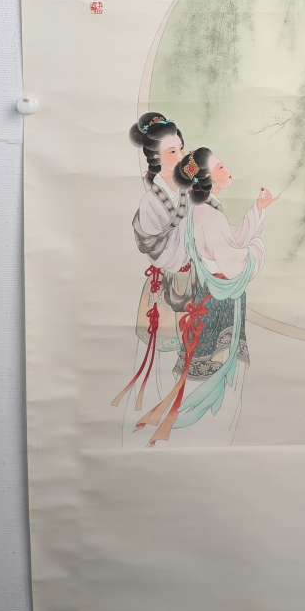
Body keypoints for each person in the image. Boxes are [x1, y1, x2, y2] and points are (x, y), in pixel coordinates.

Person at [134, 147, 279, 447]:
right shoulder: (207, 215)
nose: (228, 171)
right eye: (221, 167)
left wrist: (257, 209)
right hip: (217, 302)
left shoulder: (205, 210)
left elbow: (231, 239)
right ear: (207, 177)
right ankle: (196, 437)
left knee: (207, 376)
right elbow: (232, 260)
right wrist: (257, 250)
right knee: (215, 380)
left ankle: (177, 431)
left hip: (211, 297)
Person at [112, 111, 191, 443]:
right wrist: (190, 246)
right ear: (156, 158)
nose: (180, 155)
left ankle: (180, 429)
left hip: (194, 282)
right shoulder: (151, 200)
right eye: (172, 151)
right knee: (161, 360)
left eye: (181, 148)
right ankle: (141, 430)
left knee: (190, 360)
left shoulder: (189, 189)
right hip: (167, 287)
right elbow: (157, 250)